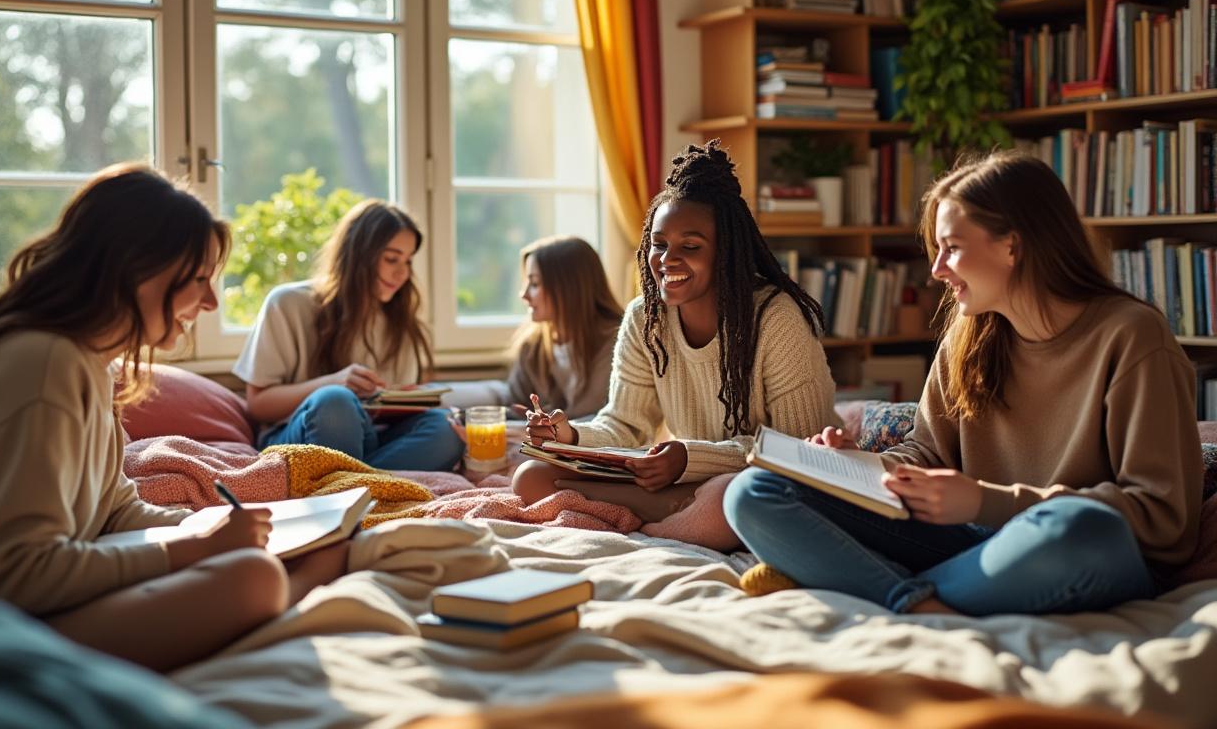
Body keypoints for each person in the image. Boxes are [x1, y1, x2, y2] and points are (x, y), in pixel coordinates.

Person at [0, 164, 349, 672]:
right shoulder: (40, 367)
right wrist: (194, 552)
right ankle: (289, 606)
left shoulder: (85, 361)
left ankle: (281, 597)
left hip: (2, 604)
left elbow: (116, 511)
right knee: (254, 580)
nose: (211, 302)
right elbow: (19, 570)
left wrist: (209, 530)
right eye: (197, 280)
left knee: (267, 561)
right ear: (136, 272)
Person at [724, 151, 1203, 616]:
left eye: (951, 248)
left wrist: (984, 500)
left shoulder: (1132, 336)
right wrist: (855, 466)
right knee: (753, 492)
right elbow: (925, 457)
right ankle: (921, 602)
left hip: (1071, 548)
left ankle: (869, 584)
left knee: (1082, 527)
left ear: (1013, 246)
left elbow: (1160, 518)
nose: (936, 271)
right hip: (970, 540)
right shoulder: (969, 334)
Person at [512, 140, 839, 517]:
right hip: (686, 481)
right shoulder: (644, 319)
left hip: (764, 483)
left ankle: (675, 514)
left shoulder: (776, 318)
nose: (668, 260)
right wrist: (569, 437)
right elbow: (624, 425)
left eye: (691, 246)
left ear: (726, 252)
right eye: (659, 244)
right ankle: (676, 514)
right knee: (532, 475)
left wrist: (692, 459)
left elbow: (798, 449)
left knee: (734, 498)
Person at [234, 200, 463, 471]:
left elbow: (391, 412)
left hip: (375, 438)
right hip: (302, 436)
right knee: (334, 402)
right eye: (391, 259)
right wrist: (335, 382)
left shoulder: (401, 321)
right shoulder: (287, 304)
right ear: (359, 255)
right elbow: (258, 405)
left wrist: (407, 399)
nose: (402, 273)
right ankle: (368, 483)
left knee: (446, 427)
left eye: (408, 261)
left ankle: (355, 483)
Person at [488, 235, 624, 420]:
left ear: (569, 288)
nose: (524, 294)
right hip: (546, 445)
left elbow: (603, 420)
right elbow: (516, 405)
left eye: (534, 284)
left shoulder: (617, 344)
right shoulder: (533, 347)